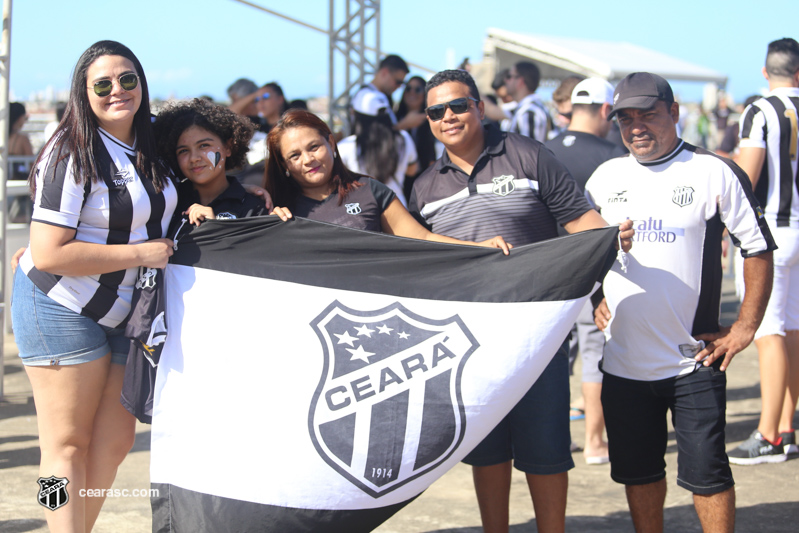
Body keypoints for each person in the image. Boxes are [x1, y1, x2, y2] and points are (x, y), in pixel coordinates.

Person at [408, 69, 634, 533]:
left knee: (546, 450)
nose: (448, 116)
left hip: (539, 335)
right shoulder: (425, 187)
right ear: (428, 120)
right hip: (470, 344)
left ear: (479, 106)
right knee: (486, 452)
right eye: (436, 111)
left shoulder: (527, 153)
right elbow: (423, 264)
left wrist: (609, 239)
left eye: (457, 106)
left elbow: (579, 222)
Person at [587, 72, 775, 533]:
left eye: (648, 114)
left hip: (694, 363)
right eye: (626, 117)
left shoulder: (713, 170)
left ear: (674, 112)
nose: (636, 126)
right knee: (640, 474)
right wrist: (594, 296)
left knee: (707, 478)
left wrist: (745, 326)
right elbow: (580, 248)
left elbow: (758, 248)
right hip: (623, 365)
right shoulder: (605, 177)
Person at [11, 40, 178, 532]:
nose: (116, 91)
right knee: (62, 447)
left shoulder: (150, 144)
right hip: (59, 306)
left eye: (127, 79)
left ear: (142, 84)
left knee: (113, 441)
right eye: (101, 84)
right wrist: (140, 254)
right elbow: (49, 253)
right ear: (83, 94)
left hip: (125, 314)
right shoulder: (71, 150)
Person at [264, 108, 509, 257]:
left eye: (314, 147)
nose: (307, 160)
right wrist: (267, 221)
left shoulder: (370, 191)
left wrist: (480, 247)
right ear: (284, 165)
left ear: (331, 143)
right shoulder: (279, 214)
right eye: (294, 156)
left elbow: (422, 239)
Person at [545, 78, 627, 465]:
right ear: (606, 111)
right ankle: (595, 443)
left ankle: (553, 439)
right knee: (595, 353)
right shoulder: (613, 155)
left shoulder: (542, 150)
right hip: (594, 270)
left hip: (549, 270)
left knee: (551, 358)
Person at [730, 37, 799, 463]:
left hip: (773, 232)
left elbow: (746, 176)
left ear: (764, 72)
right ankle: (787, 426)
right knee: (791, 329)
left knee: (768, 331)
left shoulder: (760, 109)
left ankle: (769, 433)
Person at [153, 98, 268, 227]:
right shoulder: (166, 202)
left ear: (228, 147)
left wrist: (215, 226)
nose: (194, 158)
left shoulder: (253, 208)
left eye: (203, 146)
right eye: (183, 151)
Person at [339, 89, 417, 206]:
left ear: (355, 115)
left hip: (362, 211)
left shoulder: (346, 146)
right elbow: (412, 170)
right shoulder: (403, 138)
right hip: (399, 209)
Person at [351, 54, 425, 132]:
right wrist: (404, 124)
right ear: (384, 73)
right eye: (398, 82)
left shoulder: (378, 97)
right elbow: (376, 135)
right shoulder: (367, 97)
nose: (399, 86)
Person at [396, 75, 441, 199]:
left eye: (418, 89)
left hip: (426, 183)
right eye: (408, 88)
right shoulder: (394, 119)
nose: (412, 93)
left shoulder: (433, 120)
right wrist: (402, 125)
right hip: (399, 183)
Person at [505, 61, 551, 142]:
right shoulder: (529, 107)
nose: (506, 80)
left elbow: (529, 152)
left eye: (509, 76)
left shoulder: (529, 111)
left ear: (520, 81)